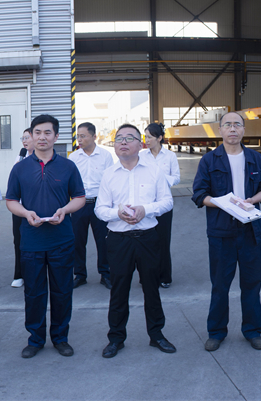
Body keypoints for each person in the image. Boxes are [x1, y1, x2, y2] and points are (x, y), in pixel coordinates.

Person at [192, 112, 261, 351]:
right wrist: (222, 203)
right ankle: (216, 332)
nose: (232, 129)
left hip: (250, 230)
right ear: (220, 130)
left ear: (243, 130)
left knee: (251, 284)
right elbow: (199, 194)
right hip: (221, 232)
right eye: (227, 124)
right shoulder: (209, 161)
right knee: (220, 285)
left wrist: (252, 200)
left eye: (237, 124)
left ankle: (253, 330)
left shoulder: (256, 159)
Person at [5, 114, 85, 359]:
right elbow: (11, 201)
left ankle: (60, 338)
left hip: (61, 239)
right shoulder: (20, 168)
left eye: (47, 132)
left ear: (56, 136)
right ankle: (36, 339)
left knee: (62, 292)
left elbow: (80, 198)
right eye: (37, 132)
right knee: (34, 294)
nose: (42, 137)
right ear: (31, 135)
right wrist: (25, 213)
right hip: (31, 241)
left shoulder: (68, 166)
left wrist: (65, 210)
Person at [95, 124, 175, 358]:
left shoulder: (154, 171)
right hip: (119, 240)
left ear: (140, 144)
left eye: (129, 138)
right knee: (119, 291)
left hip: (148, 238)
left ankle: (156, 335)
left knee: (151, 289)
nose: (123, 142)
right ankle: (116, 338)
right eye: (119, 138)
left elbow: (167, 202)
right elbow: (100, 209)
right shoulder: (109, 174)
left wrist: (145, 210)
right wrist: (117, 214)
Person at [68, 122, 113, 289]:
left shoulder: (105, 156)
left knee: (103, 241)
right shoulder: (73, 157)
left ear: (94, 136)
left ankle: (105, 274)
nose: (79, 139)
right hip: (79, 204)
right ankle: (80, 275)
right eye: (78, 136)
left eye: (83, 136)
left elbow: (111, 181)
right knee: (78, 241)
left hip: (99, 204)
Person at [141, 123, 180, 288]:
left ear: (159, 138)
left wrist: (161, 180)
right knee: (146, 241)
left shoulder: (170, 156)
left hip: (164, 204)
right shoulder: (142, 156)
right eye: (145, 136)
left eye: (150, 137)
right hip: (146, 204)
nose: (146, 140)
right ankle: (148, 277)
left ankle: (165, 277)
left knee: (163, 241)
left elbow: (176, 177)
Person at [11, 128, 34, 288]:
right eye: (23, 138)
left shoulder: (41, 159)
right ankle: (19, 274)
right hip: (19, 207)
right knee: (18, 240)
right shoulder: (20, 158)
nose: (24, 141)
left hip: (36, 206)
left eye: (27, 137)